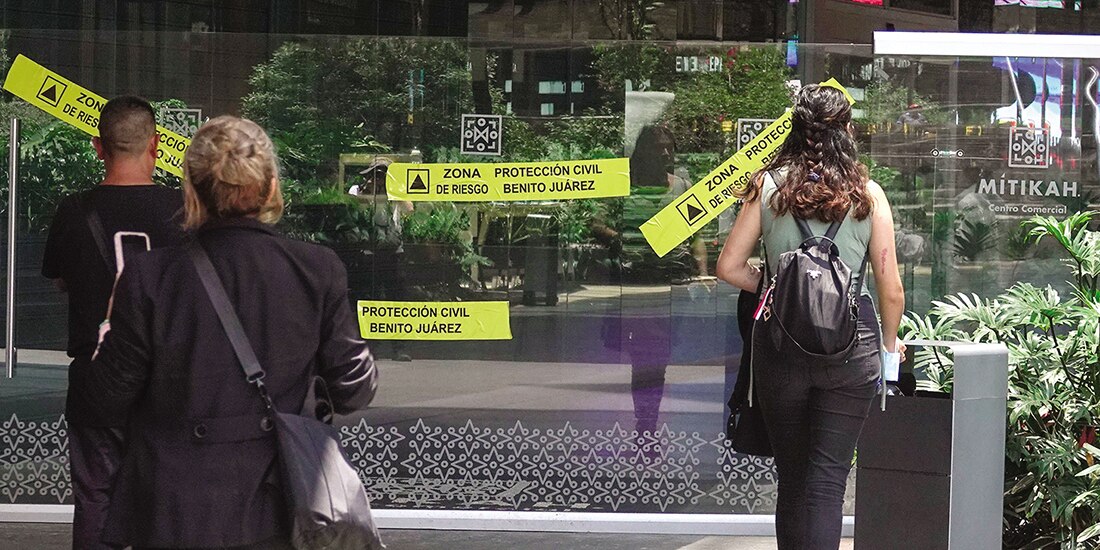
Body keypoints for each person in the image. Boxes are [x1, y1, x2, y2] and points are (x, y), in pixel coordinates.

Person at [80, 116, 379, 549]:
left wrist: (109, 328)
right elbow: (355, 390)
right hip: (281, 512)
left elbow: (104, 401)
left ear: (190, 191)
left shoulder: (149, 276)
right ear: (272, 187)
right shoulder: (317, 269)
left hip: (175, 513)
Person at [716, 84, 905, 549]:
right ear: (846, 131)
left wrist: (775, 284)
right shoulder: (869, 194)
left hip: (780, 346)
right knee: (827, 483)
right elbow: (892, 290)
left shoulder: (767, 186)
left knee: (793, 479)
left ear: (795, 129)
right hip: (852, 346)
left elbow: (728, 267)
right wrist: (889, 349)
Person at [41, 95, 185, 550]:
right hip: (168, 382)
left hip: (95, 378)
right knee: (168, 504)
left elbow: (60, 279)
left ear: (97, 147)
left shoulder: (74, 211)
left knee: (96, 501)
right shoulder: (185, 211)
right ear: (156, 145)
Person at [596, 125, 707, 449]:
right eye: (658, 147)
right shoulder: (624, 188)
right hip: (635, 287)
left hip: (672, 288)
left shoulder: (683, 188)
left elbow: (697, 236)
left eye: (669, 147)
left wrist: (702, 274)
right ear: (643, 151)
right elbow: (596, 224)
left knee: (655, 361)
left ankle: (647, 424)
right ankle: (646, 426)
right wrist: (624, 240)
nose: (665, 153)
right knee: (645, 362)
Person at [359, 158, 413, 361]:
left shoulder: (396, 193)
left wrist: (395, 190)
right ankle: (369, 347)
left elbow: (409, 209)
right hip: (371, 254)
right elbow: (355, 208)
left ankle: (399, 347)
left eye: (382, 175)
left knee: (396, 301)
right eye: (375, 175)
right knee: (371, 300)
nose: (378, 179)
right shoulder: (363, 191)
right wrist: (368, 191)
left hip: (394, 253)